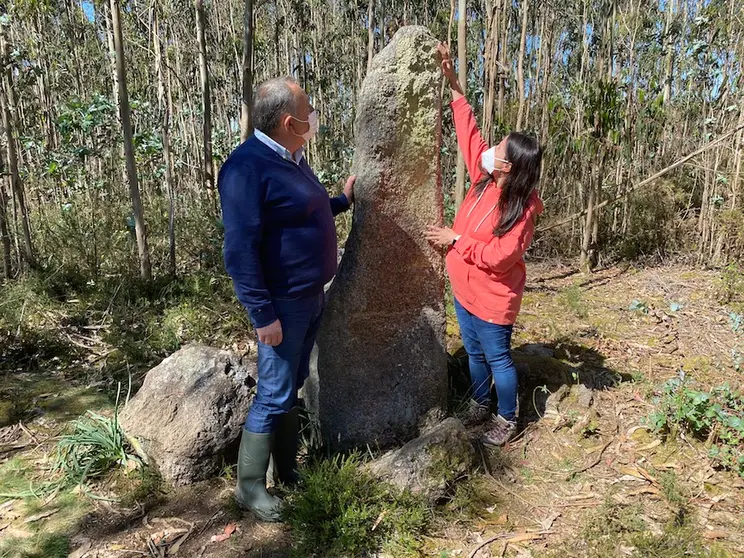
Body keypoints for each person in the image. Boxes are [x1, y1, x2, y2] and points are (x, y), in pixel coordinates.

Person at [218, 76, 355, 521]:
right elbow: (239, 250)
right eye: (308, 111)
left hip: (311, 295)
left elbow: (304, 211)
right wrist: (262, 314)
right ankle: (250, 487)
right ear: (289, 121)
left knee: (292, 385)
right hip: (281, 305)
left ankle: (287, 469)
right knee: (274, 394)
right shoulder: (246, 167)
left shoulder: (293, 158)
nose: (314, 116)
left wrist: (341, 201)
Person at [425, 44, 544, 448]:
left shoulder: (522, 208)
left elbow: (501, 256)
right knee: (473, 354)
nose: (490, 150)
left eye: (499, 148)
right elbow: (469, 136)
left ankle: (506, 417)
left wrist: (456, 240)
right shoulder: (485, 177)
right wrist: (455, 85)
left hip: (494, 299)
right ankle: (479, 402)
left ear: (509, 166)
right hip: (464, 291)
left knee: (497, 359)